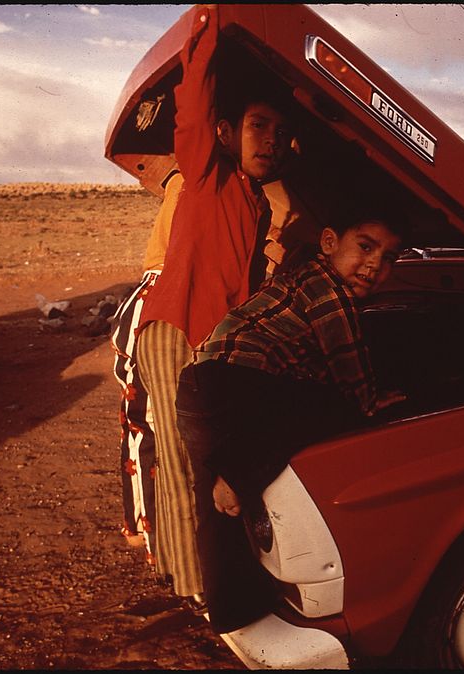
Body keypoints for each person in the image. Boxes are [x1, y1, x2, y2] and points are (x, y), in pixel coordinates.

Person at [133, 4, 302, 609]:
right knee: (186, 470)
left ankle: (209, 579)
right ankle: (196, 591)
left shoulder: (259, 206)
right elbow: (194, 106)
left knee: (212, 470)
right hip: (176, 329)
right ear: (228, 132)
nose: (271, 141)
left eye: (280, 134)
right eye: (259, 127)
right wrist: (207, 25)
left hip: (208, 345)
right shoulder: (208, 172)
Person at [175, 210, 409, 635]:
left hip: (199, 385)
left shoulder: (301, 276)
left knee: (220, 515)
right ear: (328, 242)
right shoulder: (329, 292)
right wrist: (375, 401)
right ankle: (238, 470)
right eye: (366, 246)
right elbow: (351, 376)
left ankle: (232, 610)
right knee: (335, 408)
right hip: (237, 384)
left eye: (391, 257)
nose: (376, 265)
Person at [110, 170, 183, 565]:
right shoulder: (190, 177)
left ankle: (142, 529)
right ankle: (144, 532)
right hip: (157, 297)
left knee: (141, 422)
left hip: (156, 296)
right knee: (145, 424)